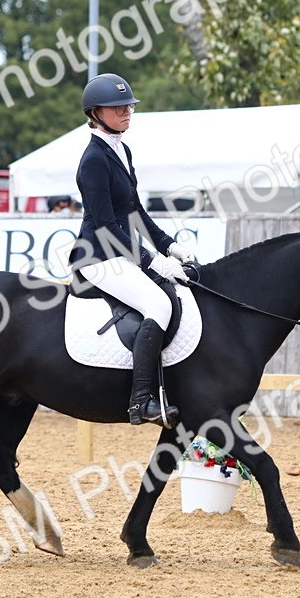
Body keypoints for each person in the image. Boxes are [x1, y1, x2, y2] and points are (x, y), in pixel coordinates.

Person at [68, 73, 195, 427]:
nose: (126, 112)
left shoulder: (121, 150)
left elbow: (135, 212)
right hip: (97, 255)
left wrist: (171, 247)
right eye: (117, 108)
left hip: (119, 251)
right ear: (95, 113)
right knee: (158, 303)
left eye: (129, 106)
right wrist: (154, 261)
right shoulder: (93, 159)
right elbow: (108, 225)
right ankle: (141, 401)